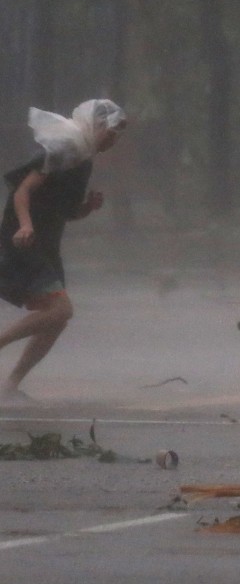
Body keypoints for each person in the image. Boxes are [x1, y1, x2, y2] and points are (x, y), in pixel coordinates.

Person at [0, 99, 127, 402]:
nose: (112, 141)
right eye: (111, 132)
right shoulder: (64, 147)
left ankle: (11, 384)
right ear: (96, 125)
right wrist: (25, 225)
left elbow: (66, 211)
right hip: (24, 240)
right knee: (61, 310)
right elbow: (23, 191)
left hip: (46, 245)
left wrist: (87, 208)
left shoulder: (83, 158)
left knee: (56, 319)